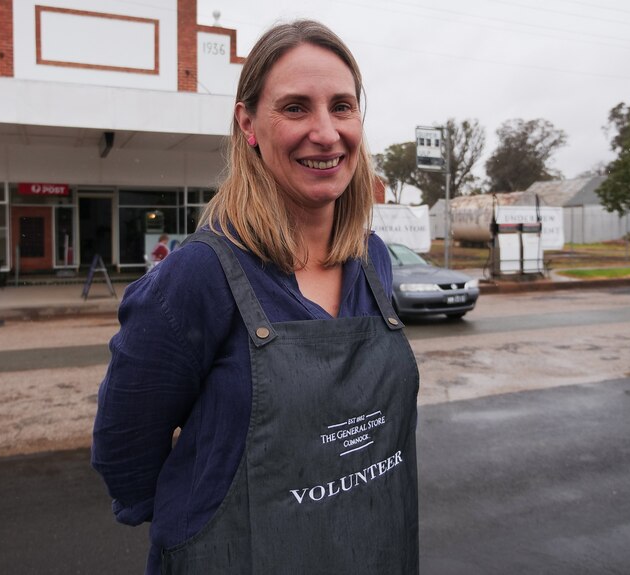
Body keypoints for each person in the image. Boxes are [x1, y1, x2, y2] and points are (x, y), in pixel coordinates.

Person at [92, 19, 419, 575]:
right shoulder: (199, 275)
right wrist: (207, 528)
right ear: (248, 123)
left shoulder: (374, 258)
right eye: (295, 108)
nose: (325, 132)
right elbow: (126, 449)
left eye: (342, 106)